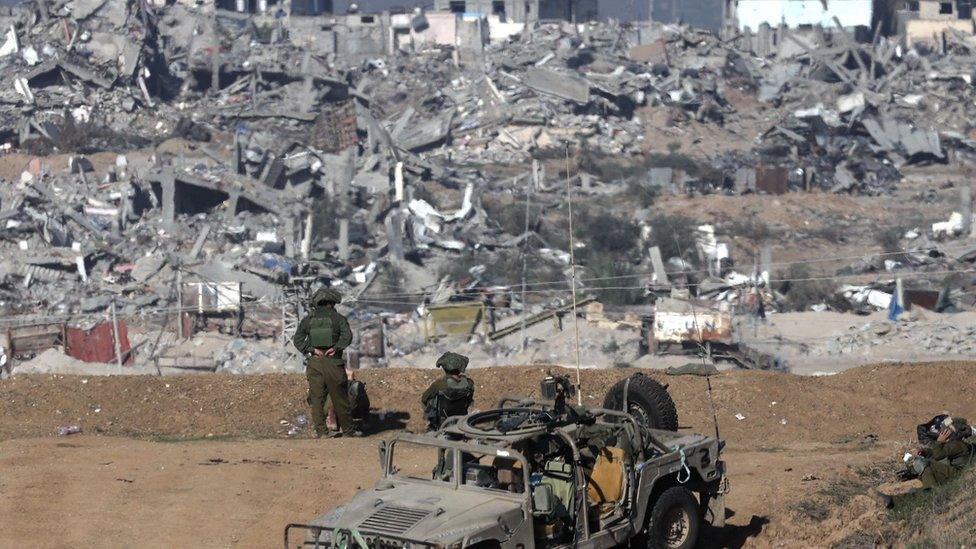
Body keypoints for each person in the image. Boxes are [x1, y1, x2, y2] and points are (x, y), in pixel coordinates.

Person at [292, 288, 359, 438]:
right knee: (340, 398)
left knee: (317, 399)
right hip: (333, 363)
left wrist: (311, 350)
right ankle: (348, 431)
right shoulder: (338, 319)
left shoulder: (308, 319)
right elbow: (347, 337)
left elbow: (297, 340)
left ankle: (322, 432)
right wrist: (335, 349)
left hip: (315, 362)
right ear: (332, 303)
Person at [876, 425, 974, 508]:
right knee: (918, 486)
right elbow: (938, 453)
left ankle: (932, 493)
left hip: (959, 474)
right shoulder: (957, 444)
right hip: (956, 472)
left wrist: (939, 442)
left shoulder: (956, 445)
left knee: (925, 464)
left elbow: (938, 455)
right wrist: (924, 452)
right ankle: (893, 501)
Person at [421, 352, 474, 430]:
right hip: (461, 419)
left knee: (430, 399)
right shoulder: (469, 383)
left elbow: (424, 399)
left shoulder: (439, 384)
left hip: (442, 421)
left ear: (445, 368)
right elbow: (469, 401)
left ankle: (432, 425)